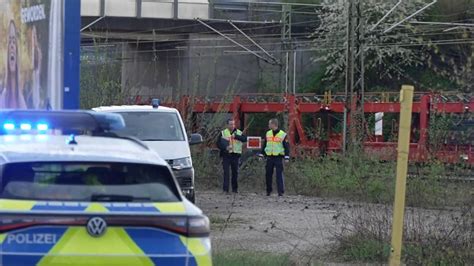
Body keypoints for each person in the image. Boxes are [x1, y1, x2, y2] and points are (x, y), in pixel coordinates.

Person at [258, 118, 290, 196]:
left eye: (269, 124)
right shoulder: (268, 133)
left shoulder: (283, 134)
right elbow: (265, 145)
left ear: (273, 124)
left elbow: (286, 147)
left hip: (278, 157)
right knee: (268, 174)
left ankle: (280, 192)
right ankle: (268, 191)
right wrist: (261, 155)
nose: (268, 125)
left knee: (279, 174)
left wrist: (286, 157)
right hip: (269, 157)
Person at [1, 20, 27, 109]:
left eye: (14, 41)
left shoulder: (23, 95)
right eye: (10, 41)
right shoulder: (3, 96)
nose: (12, 45)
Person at [217, 119, 247, 193]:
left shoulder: (239, 132)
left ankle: (235, 189)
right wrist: (225, 147)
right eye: (230, 124)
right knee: (226, 173)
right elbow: (218, 143)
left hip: (235, 155)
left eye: (233, 124)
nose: (232, 126)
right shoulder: (223, 133)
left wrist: (236, 136)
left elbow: (244, 139)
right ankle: (225, 190)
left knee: (235, 173)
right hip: (226, 155)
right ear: (227, 125)